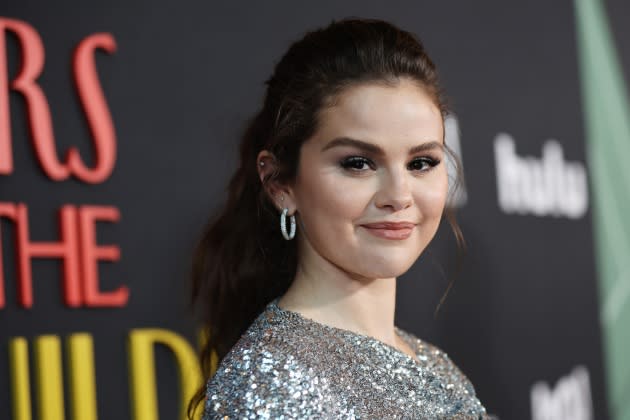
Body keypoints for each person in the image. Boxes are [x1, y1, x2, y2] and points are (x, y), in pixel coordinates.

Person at [188, 17, 489, 419]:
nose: (399, 195)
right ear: (280, 184)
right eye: (359, 163)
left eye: (421, 162)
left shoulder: (435, 366)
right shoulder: (272, 384)